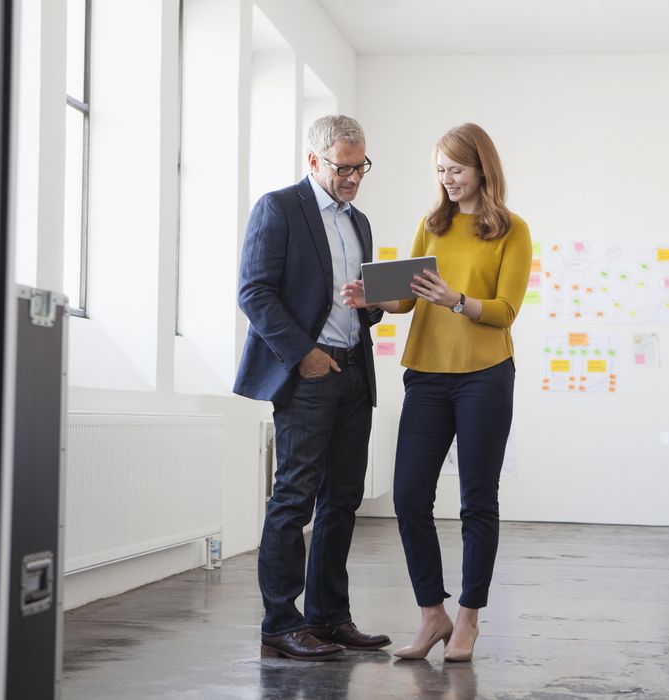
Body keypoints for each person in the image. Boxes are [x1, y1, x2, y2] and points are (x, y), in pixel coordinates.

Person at [342, 122, 532, 662]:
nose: (447, 179)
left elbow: (503, 312)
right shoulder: (433, 224)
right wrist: (371, 298)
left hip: (485, 377)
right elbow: (408, 297)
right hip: (425, 375)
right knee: (407, 496)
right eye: (440, 170)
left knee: (477, 500)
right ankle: (433, 615)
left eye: (456, 169)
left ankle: (469, 619)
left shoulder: (512, 230)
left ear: (482, 169)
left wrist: (455, 299)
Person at [233, 114, 390, 661]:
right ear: (314, 161)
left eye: (360, 167)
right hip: (308, 374)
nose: (352, 177)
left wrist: (369, 303)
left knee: (342, 499)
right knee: (294, 497)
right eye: (342, 167)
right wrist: (305, 355)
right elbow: (254, 293)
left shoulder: (360, 222)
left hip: (354, 372)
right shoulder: (279, 208)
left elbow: (350, 302)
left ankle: (328, 617)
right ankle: (280, 623)